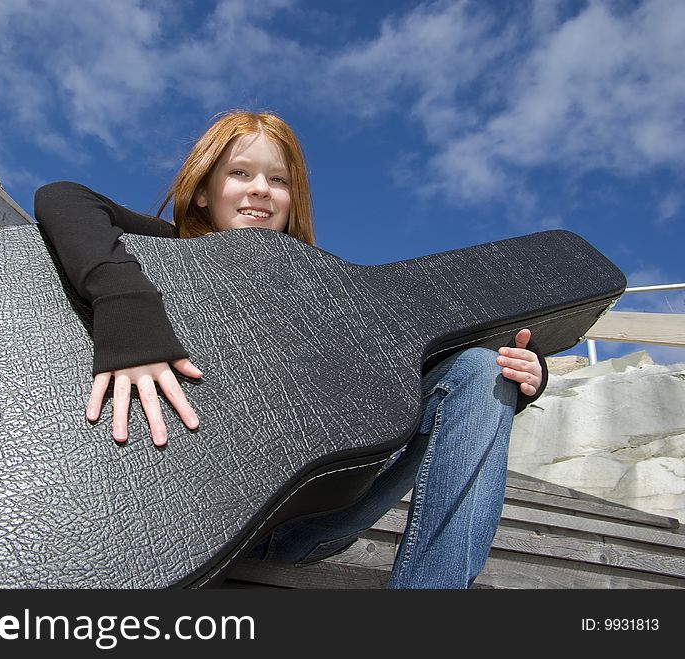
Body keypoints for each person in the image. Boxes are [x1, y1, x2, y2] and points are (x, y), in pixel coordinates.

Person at [34, 110, 547, 589]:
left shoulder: (328, 290)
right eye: (240, 173)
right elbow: (65, 197)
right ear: (203, 193)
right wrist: (128, 313)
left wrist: (518, 373)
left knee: (480, 368)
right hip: (170, 520)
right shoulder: (172, 249)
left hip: (299, 521)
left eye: (279, 180)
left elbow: (425, 375)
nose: (260, 189)